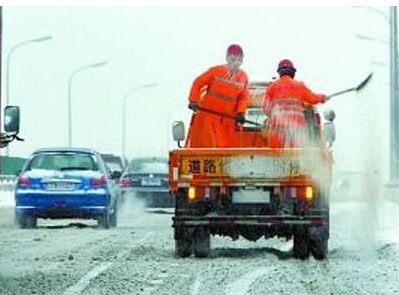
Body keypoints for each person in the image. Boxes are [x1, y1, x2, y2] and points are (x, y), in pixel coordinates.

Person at [187, 44, 249, 147]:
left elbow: (243, 97)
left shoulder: (244, 77)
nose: (235, 63)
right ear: (227, 58)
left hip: (228, 120)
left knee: (225, 147)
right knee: (207, 145)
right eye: (232, 59)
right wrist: (193, 100)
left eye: (238, 60)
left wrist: (240, 113)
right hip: (208, 117)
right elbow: (198, 83)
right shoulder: (215, 72)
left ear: (242, 61)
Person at [262, 59, 328, 148]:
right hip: (297, 131)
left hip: (277, 131)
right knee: (297, 157)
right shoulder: (299, 86)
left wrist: (273, 115)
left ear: (279, 72)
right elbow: (313, 99)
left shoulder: (271, 88)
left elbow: (266, 108)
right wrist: (322, 98)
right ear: (292, 72)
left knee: (275, 158)